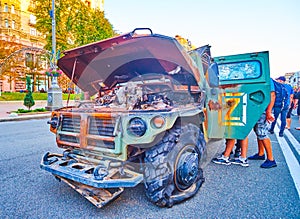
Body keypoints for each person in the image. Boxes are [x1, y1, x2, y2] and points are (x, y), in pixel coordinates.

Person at [248, 79, 277, 168]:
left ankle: (271, 159)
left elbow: (272, 95)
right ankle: (261, 153)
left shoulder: (267, 78)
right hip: (258, 109)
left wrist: (268, 112)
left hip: (264, 109)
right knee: (258, 131)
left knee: (262, 133)